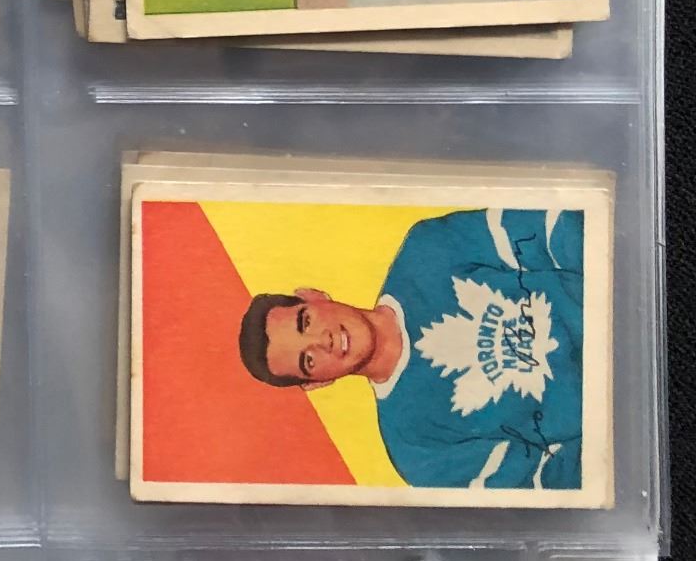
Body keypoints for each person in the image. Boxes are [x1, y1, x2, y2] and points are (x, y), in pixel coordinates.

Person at [236, 205, 586, 492]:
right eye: (309, 360)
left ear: (313, 296)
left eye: (306, 322)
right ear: (317, 383)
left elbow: (562, 229)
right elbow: (548, 484)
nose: (322, 341)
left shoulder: (428, 248)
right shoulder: (417, 452)